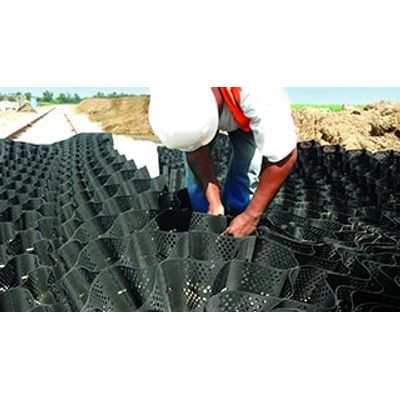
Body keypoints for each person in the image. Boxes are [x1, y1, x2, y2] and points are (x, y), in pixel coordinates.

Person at [149, 86, 298, 238]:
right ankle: (203, 220)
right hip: (216, 111)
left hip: (245, 120)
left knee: (246, 169)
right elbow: (196, 154)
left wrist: (251, 216)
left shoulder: (259, 95)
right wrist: (213, 202)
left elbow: (284, 158)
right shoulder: (174, 101)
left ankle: (238, 221)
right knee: (195, 180)